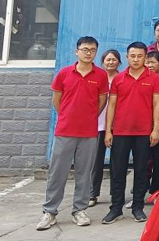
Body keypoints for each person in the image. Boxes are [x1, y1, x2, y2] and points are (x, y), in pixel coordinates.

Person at [37, 36, 109, 231]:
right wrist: (68, 115)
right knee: (57, 172)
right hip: (65, 131)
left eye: (92, 50)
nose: (88, 53)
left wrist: (88, 117)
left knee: (84, 173)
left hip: (88, 132)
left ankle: (80, 210)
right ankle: (50, 211)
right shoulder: (64, 73)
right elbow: (57, 100)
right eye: (85, 49)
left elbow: (101, 102)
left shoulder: (101, 75)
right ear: (77, 51)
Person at [103, 42, 159, 225]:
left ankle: (138, 207)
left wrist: (155, 129)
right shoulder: (119, 78)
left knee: (141, 170)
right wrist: (108, 131)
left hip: (144, 132)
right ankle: (116, 208)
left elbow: (157, 105)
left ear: (145, 57)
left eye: (140, 56)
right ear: (127, 57)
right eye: (133, 56)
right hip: (121, 131)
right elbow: (111, 105)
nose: (136, 59)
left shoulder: (153, 78)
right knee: (118, 171)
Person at [90, 49, 119, 207]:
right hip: (98, 124)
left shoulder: (122, 78)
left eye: (114, 59)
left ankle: (116, 194)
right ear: (103, 62)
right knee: (96, 161)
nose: (111, 62)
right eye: (108, 59)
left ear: (119, 62)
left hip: (118, 126)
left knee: (117, 162)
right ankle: (92, 193)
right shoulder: (98, 78)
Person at [144, 52, 159, 196]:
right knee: (143, 159)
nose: (150, 65)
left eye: (153, 62)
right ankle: (142, 187)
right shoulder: (141, 78)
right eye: (147, 62)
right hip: (143, 125)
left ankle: (156, 190)